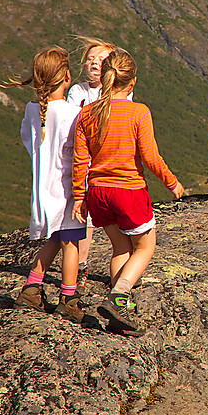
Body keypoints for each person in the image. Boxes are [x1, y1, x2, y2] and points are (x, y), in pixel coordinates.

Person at [72, 48, 184, 335]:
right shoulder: (138, 112)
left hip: (97, 192)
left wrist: (79, 196)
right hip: (128, 191)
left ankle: (119, 315)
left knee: (120, 247)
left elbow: (80, 159)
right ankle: (119, 296)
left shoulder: (87, 113)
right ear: (132, 82)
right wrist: (172, 182)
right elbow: (150, 156)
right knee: (145, 247)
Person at [0, 46, 86, 323]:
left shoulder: (33, 109)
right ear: (67, 77)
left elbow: (27, 138)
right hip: (66, 187)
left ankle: (32, 288)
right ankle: (69, 300)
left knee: (56, 237)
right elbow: (79, 150)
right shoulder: (72, 113)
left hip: (43, 186)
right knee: (72, 242)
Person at [66, 37, 127, 295]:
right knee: (85, 219)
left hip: (107, 163)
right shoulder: (78, 92)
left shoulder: (120, 93)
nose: (93, 63)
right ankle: (81, 266)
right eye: (90, 59)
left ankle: (123, 268)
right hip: (84, 161)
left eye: (100, 60)